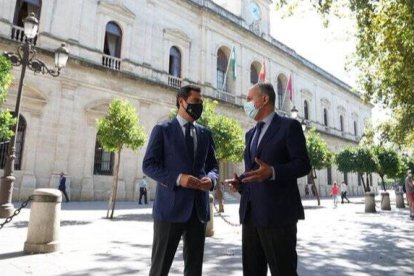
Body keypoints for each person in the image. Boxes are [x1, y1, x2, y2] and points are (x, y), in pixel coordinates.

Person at [225, 83, 311, 276]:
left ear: (264, 99)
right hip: (250, 215)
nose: (246, 103)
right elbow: (255, 171)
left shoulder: (290, 126)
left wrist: (272, 172)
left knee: (283, 271)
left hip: (278, 216)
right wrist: (241, 184)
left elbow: (303, 165)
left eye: (249, 99)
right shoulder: (250, 134)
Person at [142, 84, 219, 276]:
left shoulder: (205, 133)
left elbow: (213, 166)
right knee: (160, 268)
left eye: (201, 102)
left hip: (198, 211)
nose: (199, 106)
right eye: (195, 102)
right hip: (169, 209)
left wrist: (211, 180)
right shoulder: (162, 129)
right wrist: (178, 178)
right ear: (181, 102)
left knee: (194, 269)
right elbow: (149, 165)